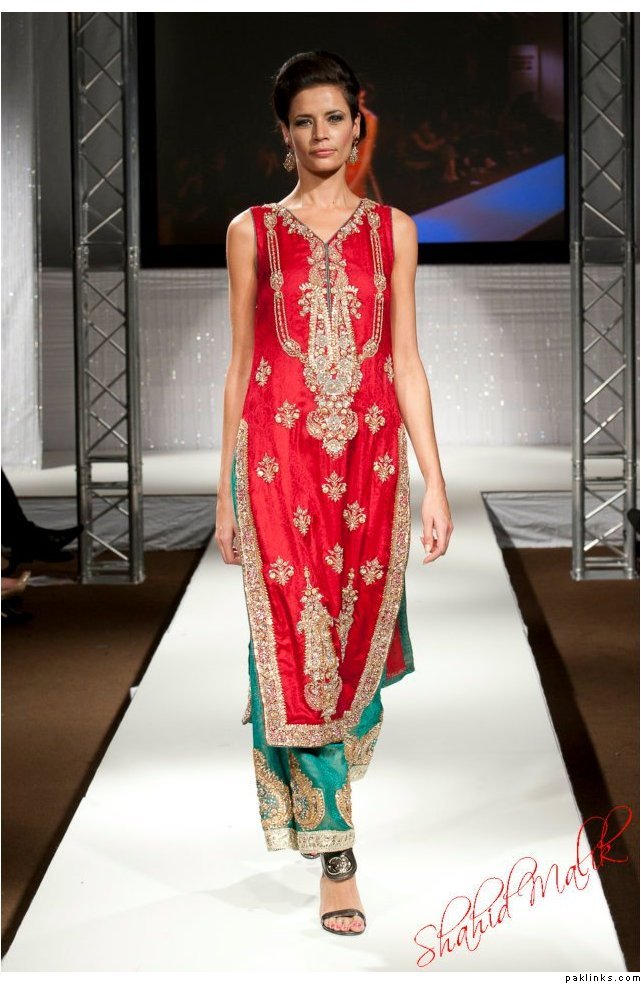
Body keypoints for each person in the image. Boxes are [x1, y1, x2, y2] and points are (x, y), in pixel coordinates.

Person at [215, 50, 453, 938]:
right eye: (303, 121)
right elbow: (241, 365)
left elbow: (405, 360)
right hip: (276, 462)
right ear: (285, 134)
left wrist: (433, 481)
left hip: (368, 468)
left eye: (334, 118)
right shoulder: (252, 231)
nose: (320, 134)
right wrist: (225, 492)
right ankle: (337, 857)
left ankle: (311, 743)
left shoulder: (393, 230)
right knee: (295, 638)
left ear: (358, 125)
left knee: (351, 640)